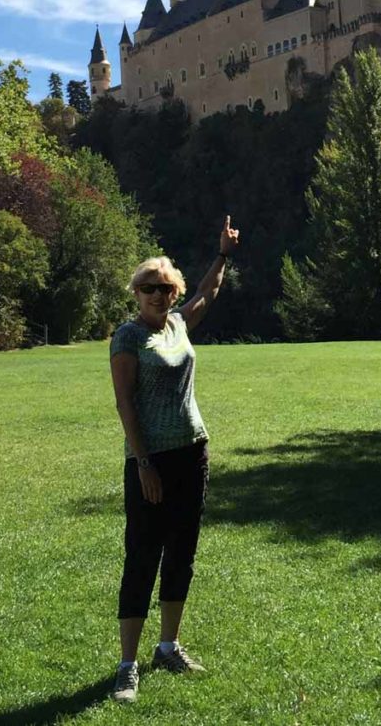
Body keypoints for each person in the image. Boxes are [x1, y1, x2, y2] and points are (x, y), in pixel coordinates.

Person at [109, 215, 240, 704]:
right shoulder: (128, 338)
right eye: (148, 287)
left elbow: (208, 293)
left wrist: (222, 254)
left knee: (182, 551)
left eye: (165, 287)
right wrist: (143, 463)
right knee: (142, 554)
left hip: (192, 451)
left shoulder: (179, 326)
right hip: (151, 460)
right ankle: (127, 665)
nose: (157, 294)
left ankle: (168, 645)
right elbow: (124, 402)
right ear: (136, 293)